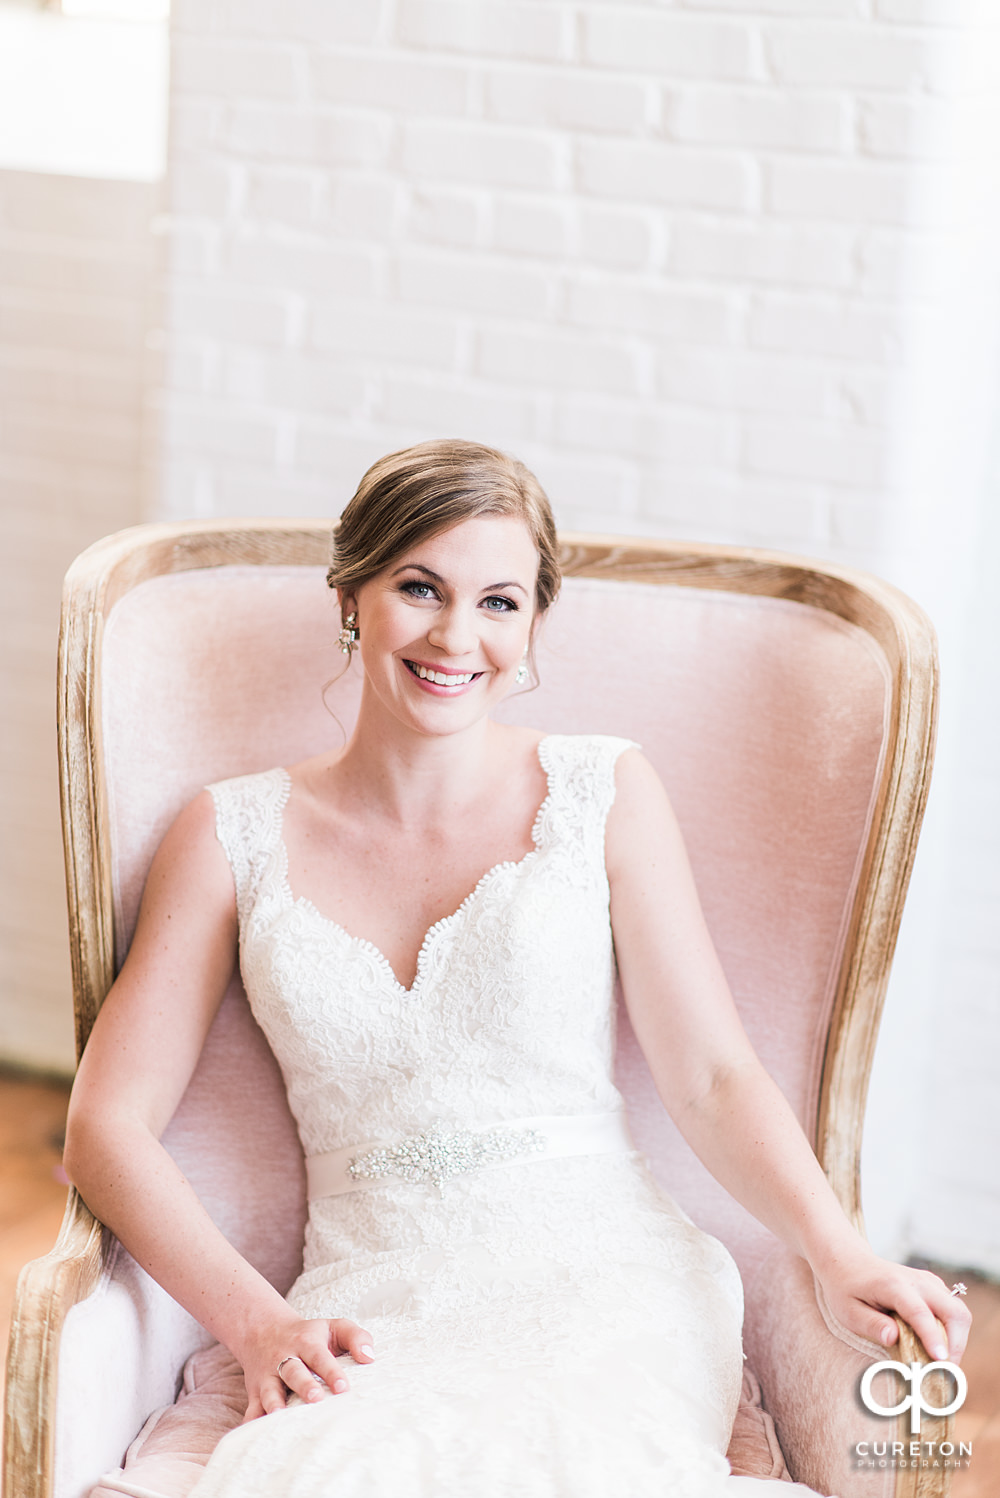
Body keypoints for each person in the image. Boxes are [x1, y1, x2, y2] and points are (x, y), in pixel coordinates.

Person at [65, 440, 970, 1498]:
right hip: (376, 1286)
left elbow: (713, 1077)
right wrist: (257, 1323)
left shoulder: (603, 792)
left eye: (499, 602)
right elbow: (102, 1127)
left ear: (535, 622)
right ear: (352, 594)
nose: (456, 635)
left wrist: (839, 1251)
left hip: (604, 1273)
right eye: (419, 587)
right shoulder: (229, 831)